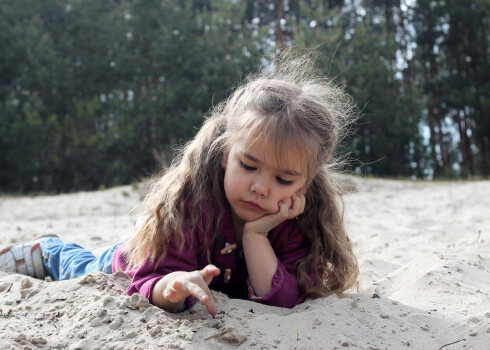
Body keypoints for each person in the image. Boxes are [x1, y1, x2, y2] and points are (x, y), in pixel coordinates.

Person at [0, 50, 359, 317]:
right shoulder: (194, 203)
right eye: (248, 165)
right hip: (144, 259)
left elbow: (284, 300)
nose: (261, 187)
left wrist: (256, 235)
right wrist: (169, 287)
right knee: (90, 266)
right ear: (224, 154)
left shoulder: (297, 223)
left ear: (306, 182)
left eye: (283, 179)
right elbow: (148, 280)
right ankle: (49, 251)